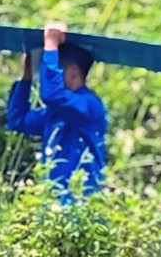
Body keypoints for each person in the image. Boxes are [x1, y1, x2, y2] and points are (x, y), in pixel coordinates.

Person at [6, 20, 109, 203]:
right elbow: (18, 120)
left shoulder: (89, 105)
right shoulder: (56, 114)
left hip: (82, 202)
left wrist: (51, 44)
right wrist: (26, 77)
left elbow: (52, 95)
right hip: (52, 202)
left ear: (74, 72)